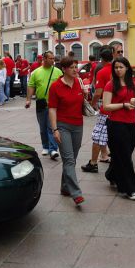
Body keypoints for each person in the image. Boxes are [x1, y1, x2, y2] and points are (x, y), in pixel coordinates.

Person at [102, 56, 135, 200]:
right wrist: (123, 104)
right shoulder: (110, 84)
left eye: (121, 67)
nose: (118, 70)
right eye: (116, 67)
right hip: (116, 124)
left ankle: (111, 174)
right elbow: (106, 106)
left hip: (131, 124)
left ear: (127, 68)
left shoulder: (132, 84)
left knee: (123, 154)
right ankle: (130, 189)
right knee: (125, 157)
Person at [48, 56, 88, 206]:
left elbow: (85, 104)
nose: (75, 69)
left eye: (76, 67)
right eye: (71, 67)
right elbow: (52, 109)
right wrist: (55, 129)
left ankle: (65, 187)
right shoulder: (55, 86)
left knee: (72, 158)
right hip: (63, 125)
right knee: (69, 159)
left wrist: (85, 93)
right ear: (64, 69)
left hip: (78, 125)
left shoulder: (79, 82)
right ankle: (76, 193)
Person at [81, 47, 114, 173]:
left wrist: (92, 104)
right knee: (106, 135)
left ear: (101, 59)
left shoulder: (103, 71)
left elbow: (98, 92)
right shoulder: (118, 69)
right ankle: (105, 155)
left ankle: (93, 163)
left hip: (106, 108)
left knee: (97, 136)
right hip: (117, 109)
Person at [25, 51, 62, 159]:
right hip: (41, 103)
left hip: (54, 104)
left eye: (53, 58)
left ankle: (53, 150)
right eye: (50, 58)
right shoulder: (36, 72)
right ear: (44, 59)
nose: (53, 60)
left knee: (51, 126)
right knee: (42, 127)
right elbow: (31, 86)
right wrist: (28, 100)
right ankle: (45, 146)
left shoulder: (58, 72)